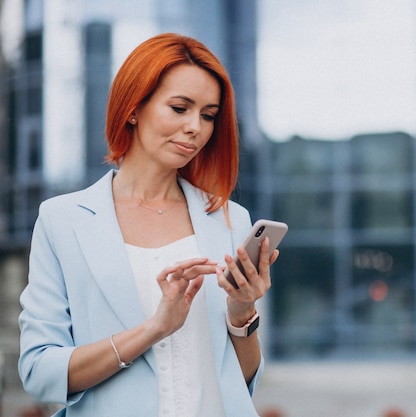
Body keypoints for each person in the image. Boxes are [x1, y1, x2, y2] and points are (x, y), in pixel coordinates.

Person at [18, 33, 278, 416]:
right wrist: (155, 328)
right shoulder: (62, 220)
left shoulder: (228, 219)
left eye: (208, 115)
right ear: (133, 108)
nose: (196, 127)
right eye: (179, 108)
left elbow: (237, 382)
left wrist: (242, 312)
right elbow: (40, 372)